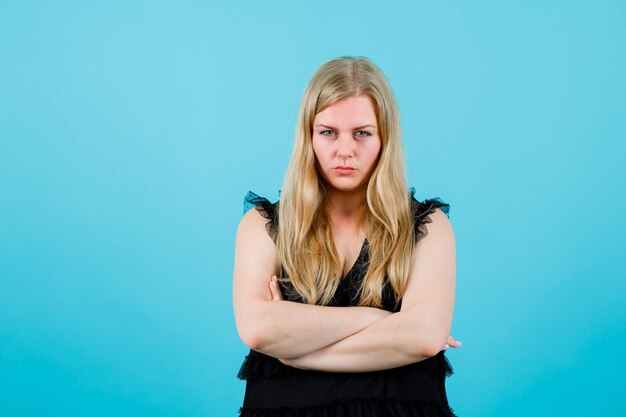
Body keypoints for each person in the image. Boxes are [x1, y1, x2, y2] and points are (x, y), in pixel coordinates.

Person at [232, 56, 461, 417]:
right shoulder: (263, 226)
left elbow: (423, 335)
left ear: (385, 137)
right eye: (328, 132)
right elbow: (258, 329)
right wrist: (379, 320)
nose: (345, 150)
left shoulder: (428, 226)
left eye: (362, 133)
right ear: (308, 136)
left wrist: (296, 352)